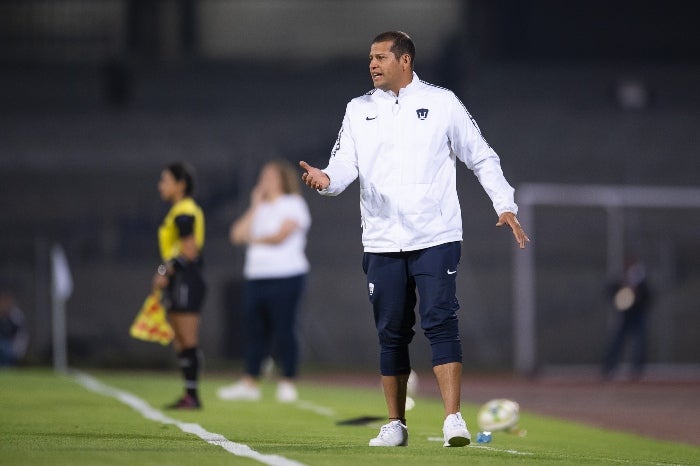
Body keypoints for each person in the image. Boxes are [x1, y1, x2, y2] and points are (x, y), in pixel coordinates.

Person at [299, 31, 529, 447]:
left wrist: (505, 204)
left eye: (381, 57)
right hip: (382, 240)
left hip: (435, 235)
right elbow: (342, 165)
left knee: (441, 322)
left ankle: (453, 420)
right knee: (391, 332)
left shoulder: (442, 103)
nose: (372, 64)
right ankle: (395, 425)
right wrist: (326, 180)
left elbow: (480, 155)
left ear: (405, 61)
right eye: (370, 57)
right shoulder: (357, 109)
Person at [218, 159, 311, 403]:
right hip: (257, 276)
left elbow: (280, 236)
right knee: (254, 330)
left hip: (287, 275)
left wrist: (252, 238)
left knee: (284, 329)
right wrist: (254, 206)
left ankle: (287, 381)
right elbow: (236, 234)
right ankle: (250, 382)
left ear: (283, 179)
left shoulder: (294, 204)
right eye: (263, 176)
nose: (265, 181)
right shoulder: (260, 208)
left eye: (270, 176)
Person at [152, 162, 207, 409]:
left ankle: (193, 396)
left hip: (187, 278)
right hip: (180, 279)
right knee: (181, 342)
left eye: (165, 180)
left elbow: (189, 251)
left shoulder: (185, 210)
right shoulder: (178, 211)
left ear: (180, 184)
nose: (160, 185)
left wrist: (165, 270)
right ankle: (189, 395)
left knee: (188, 340)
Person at [602, 256, 651, 380]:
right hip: (626, 316)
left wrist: (637, 293)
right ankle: (609, 367)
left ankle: (637, 370)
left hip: (638, 315)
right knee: (617, 342)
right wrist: (622, 287)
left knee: (639, 343)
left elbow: (648, 297)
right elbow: (611, 291)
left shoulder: (641, 281)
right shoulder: (622, 279)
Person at [0, 283, 28, 367]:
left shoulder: (15, 315)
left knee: (6, 349)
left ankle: (8, 366)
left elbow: (21, 333)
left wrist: (19, 348)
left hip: (11, 343)